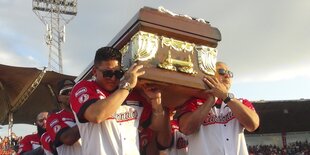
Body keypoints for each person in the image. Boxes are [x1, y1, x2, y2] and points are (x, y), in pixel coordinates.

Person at [70, 46, 170, 154]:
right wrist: (126, 87)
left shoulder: (133, 93)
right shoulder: (83, 87)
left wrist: (156, 101)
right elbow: (96, 115)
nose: (113, 78)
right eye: (107, 74)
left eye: (118, 73)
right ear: (95, 71)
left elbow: (156, 126)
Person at [178, 61, 260, 155]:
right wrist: (211, 100)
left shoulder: (242, 103)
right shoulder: (193, 103)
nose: (227, 76)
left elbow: (254, 125)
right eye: (221, 72)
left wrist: (226, 96)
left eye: (230, 73)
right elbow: (186, 128)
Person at [45, 79, 81, 155]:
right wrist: (89, 118)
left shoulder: (88, 111)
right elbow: (68, 138)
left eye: (73, 90)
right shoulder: (54, 118)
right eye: (65, 92)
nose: (70, 93)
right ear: (59, 98)